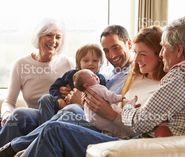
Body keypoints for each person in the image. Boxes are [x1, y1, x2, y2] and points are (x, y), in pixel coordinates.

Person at [19, 25, 168, 157]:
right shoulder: (135, 77)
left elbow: (138, 128)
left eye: (143, 54)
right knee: (31, 115)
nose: (137, 59)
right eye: (136, 53)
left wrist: (109, 112)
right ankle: (27, 147)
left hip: (119, 136)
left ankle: (23, 147)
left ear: (160, 54)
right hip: (102, 122)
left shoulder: (161, 88)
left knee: (58, 125)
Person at [0, 25, 134, 156]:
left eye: (116, 47)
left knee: (71, 110)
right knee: (20, 115)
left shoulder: (134, 74)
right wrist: (64, 93)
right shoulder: (106, 70)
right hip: (68, 111)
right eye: (106, 51)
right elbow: (71, 81)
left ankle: (21, 145)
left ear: (129, 44)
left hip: (92, 117)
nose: (111, 55)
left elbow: (114, 106)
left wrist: (81, 101)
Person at [0, 19, 74, 147]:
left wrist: (69, 93)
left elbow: (79, 96)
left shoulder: (68, 63)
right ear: (38, 37)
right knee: (17, 116)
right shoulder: (21, 64)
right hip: (32, 117)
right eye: (49, 35)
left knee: (20, 114)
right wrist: (7, 114)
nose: (54, 41)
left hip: (58, 115)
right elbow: (9, 102)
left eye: (58, 37)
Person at [38, 44, 106, 124]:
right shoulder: (71, 74)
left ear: (100, 63)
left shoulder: (99, 79)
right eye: (86, 60)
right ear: (79, 63)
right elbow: (54, 87)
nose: (90, 63)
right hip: (61, 105)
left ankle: (49, 129)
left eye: (95, 61)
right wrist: (59, 99)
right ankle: (45, 128)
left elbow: (101, 97)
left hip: (80, 111)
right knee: (45, 98)